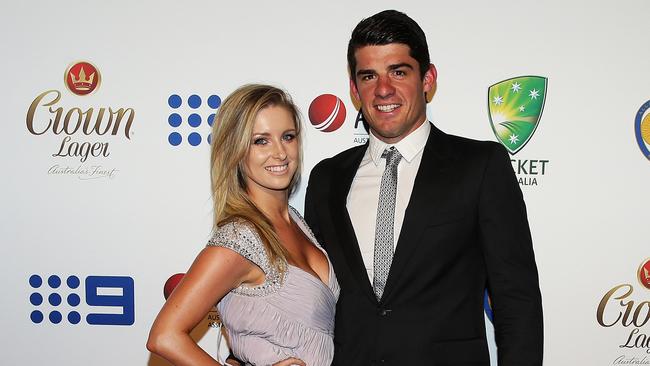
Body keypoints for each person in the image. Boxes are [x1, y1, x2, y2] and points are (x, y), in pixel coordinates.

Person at [304, 10, 543, 365]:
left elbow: (517, 302)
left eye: (398, 72)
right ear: (354, 89)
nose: (383, 89)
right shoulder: (326, 178)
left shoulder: (480, 166)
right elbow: (310, 298)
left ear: (427, 79)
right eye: (369, 76)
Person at [148, 84, 339, 366]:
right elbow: (164, 336)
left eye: (288, 137)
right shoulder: (240, 237)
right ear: (236, 150)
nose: (280, 153)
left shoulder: (297, 221)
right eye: (261, 141)